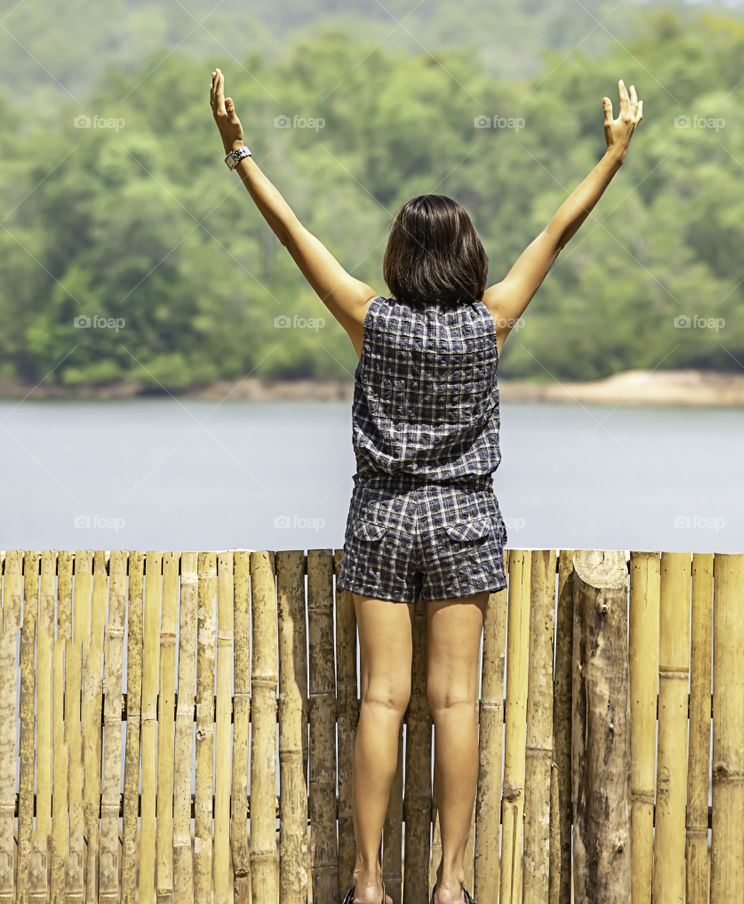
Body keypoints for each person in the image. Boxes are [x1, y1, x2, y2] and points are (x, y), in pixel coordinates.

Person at [209, 67, 643, 904]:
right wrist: (612, 160)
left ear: (399, 256)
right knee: (452, 705)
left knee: (380, 701)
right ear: (470, 254)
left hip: (379, 518)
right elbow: (557, 230)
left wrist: (240, 151)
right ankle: (448, 885)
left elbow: (292, 230)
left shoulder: (369, 318)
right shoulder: (493, 320)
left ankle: (368, 884)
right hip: (463, 523)